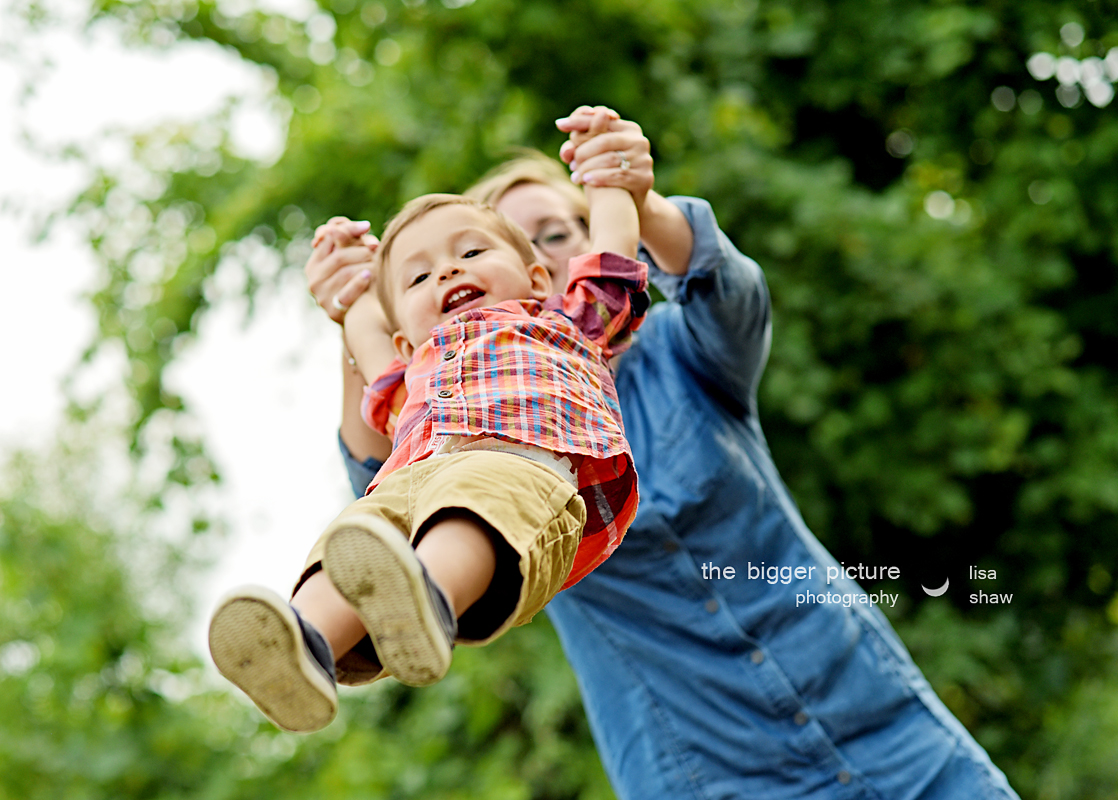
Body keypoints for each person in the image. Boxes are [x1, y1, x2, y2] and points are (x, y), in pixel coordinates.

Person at [308, 107, 1021, 799]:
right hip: (702, 774)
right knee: (402, 525)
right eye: (432, 269)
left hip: (881, 729)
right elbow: (389, 472)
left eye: (556, 233)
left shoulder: (681, 355)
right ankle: (309, 637)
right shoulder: (456, 405)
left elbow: (729, 291)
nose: (545, 256)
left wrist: (632, 193)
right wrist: (357, 312)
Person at [208, 179, 650, 734]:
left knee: (473, 501)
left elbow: (612, 258)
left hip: (522, 469)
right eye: (418, 277)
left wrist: (608, 180)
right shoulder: (411, 374)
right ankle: (307, 643)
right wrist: (354, 278)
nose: (446, 271)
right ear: (402, 342)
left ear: (538, 279)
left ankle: (430, 598)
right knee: (360, 526)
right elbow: (362, 321)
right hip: (413, 482)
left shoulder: (569, 325)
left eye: (470, 252)